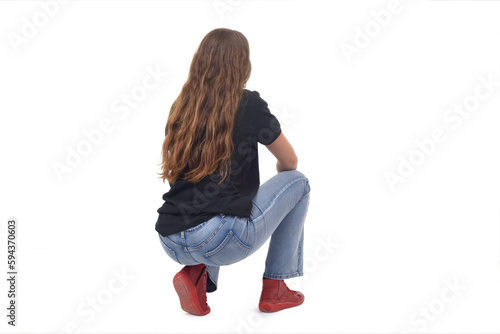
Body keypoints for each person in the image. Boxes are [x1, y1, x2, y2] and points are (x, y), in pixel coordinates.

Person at [155, 28, 311, 316]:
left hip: (171, 239)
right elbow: (290, 162)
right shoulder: (248, 104)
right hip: (219, 239)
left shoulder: (181, 106)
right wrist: (276, 193)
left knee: (213, 199)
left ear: (199, 61)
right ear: (243, 64)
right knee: (299, 183)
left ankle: (195, 275)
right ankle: (275, 288)